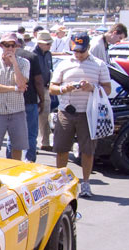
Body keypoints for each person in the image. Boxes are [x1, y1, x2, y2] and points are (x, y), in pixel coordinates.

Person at [49, 32, 112, 197]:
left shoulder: (99, 65)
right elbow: (52, 87)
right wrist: (65, 88)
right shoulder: (64, 64)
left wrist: (92, 87)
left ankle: (86, 183)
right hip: (66, 111)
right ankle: (61, 182)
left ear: (88, 48)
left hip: (88, 114)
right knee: (61, 149)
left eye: (81, 51)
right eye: (75, 50)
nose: (77, 54)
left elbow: (107, 89)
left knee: (88, 150)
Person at [0, 33, 30, 160]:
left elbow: (22, 83)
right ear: (1, 46)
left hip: (17, 111)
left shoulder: (24, 63)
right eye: (6, 45)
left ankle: (14, 175)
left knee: (17, 147)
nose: (10, 48)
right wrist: (14, 89)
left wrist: (14, 63)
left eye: (13, 45)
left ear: (17, 47)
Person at [6, 38, 45, 162]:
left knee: (12, 134)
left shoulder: (5, 57)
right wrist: (42, 99)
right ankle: (29, 161)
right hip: (29, 99)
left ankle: (9, 161)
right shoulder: (32, 56)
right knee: (31, 134)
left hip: (12, 98)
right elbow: (38, 81)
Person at [33, 30, 55, 152]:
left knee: (45, 116)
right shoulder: (33, 54)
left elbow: (49, 69)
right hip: (35, 89)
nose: (49, 46)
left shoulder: (48, 54)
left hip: (46, 87)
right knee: (34, 117)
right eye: (47, 43)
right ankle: (33, 143)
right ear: (40, 43)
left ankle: (45, 142)